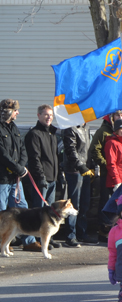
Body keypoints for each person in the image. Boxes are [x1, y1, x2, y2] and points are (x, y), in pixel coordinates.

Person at [0, 99, 36, 250]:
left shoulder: (13, 128)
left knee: (22, 208)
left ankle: (29, 241)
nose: (18, 113)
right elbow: (2, 154)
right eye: (15, 110)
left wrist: (21, 167)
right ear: (8, 111)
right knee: (2, 213)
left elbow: (22, 150)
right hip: (2, 179)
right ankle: (3, 243)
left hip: (15, 179)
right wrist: (16, 168)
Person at [62, 122, 94, 246]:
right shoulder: (71, 128)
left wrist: (90, 166)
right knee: (74, 204)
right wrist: (80, 166)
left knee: (84, 204)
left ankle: (82, 233)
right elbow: (71, 149)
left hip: (85, 169)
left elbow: (87, 151)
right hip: (74, 171)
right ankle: (71, 236)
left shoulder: (86, 127)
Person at [24, 104, 59, 208]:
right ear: (39, 115)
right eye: (46, 115)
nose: (49, 118)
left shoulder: (52, 134)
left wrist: (58, 174)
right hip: (41, 179)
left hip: (53, 179)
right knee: (39, 212)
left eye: (51, 115)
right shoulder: (34, 134)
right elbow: (35, 158)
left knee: (49, 213)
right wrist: (41, 177)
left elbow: (55, 156)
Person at [104, 119, 122, 194]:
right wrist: (117, 182)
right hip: (117, 183)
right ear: (116, 130)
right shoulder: (112, 143)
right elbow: (111, 164)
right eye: (121, 129)